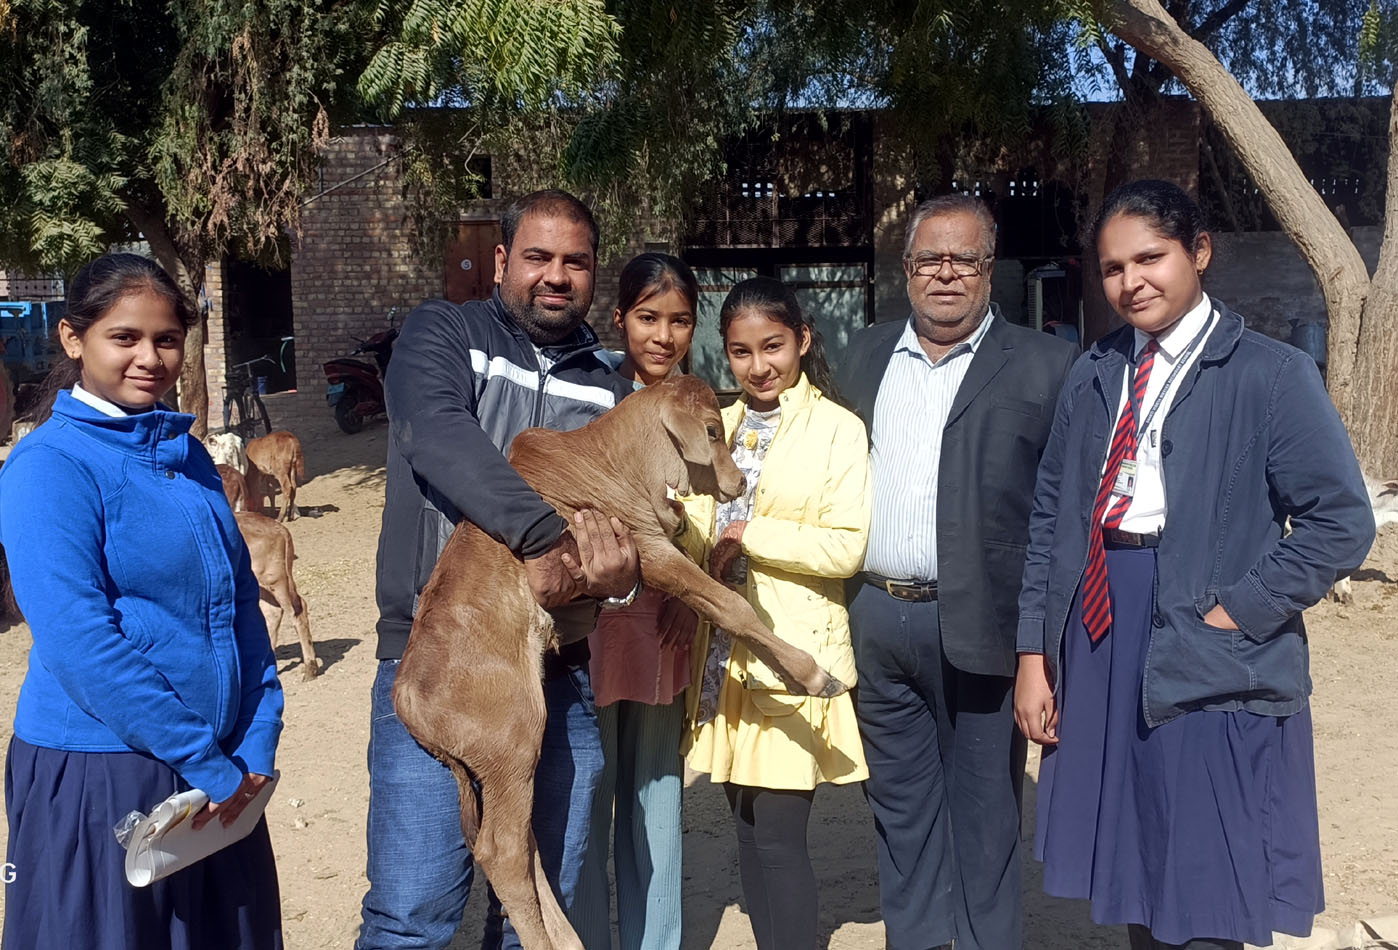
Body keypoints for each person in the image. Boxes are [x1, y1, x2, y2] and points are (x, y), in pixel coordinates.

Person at [1015, 179, 1375, 950]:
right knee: (1136, 864)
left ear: (1199, 251)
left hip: (1206, 633)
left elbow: (1340, 521)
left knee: (1207, 874)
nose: (1131, 282)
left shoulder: (1271, 374)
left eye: (1150, 258)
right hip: (1100, 627)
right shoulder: (1095, 370)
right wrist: (1035, 654)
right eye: (1113, 268)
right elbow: (1053, 516)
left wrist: (1239, 608)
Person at [358, 189, 642, 950]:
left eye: (575, 261)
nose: (557, 275)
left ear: (594, 272)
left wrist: (617, 578)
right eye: (537, 257)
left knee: (536, 914)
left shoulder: (612, 392)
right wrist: (547, 539)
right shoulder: (444, 332)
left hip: (559, 674)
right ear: (500, 262)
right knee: (411, 918)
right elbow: (437, 433)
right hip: (439, 664)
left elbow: (625, 538)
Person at [0, 253, 284, 950]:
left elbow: (238, 605)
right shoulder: (50, 467)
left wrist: (257, 735)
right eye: (124, 337)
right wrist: (207, 761)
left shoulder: (189, 459)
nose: (149, 358)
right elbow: (80, 642)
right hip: (106, 769)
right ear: (74, 339)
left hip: (220, 773)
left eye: (166, 339)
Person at [836, 194, 1078, 950]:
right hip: (877, 620)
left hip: (983, 624)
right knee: (899, 811)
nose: (946, 273)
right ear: (906, 269)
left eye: (964, 259)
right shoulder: (865, 355)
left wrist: (1039, 645)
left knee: (985, 815)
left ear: (989, 268)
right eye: (929, 259)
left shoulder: (1045, 365)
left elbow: (1059, 519)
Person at [683, 277, 871, 950]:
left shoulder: (838, 430)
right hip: (722, 658)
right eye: (741, 352)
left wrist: (749, 535)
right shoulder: (720, 425)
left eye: (773, 346)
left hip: (789, 653)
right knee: (747, 832)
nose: (758, 366)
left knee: (780, 840)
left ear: (803, 340)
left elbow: (846, 547)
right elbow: (694, 521)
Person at [570, 253, 703, 950]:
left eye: (679, 320)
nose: (663, 335)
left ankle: (657, 940)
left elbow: (713, 507)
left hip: (662, 625)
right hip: (587, 626)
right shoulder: (588, 397)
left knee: (656, 795)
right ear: (619, 317)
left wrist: (693, 593)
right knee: (586, 797)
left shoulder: (698, 404)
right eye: (648, 317)